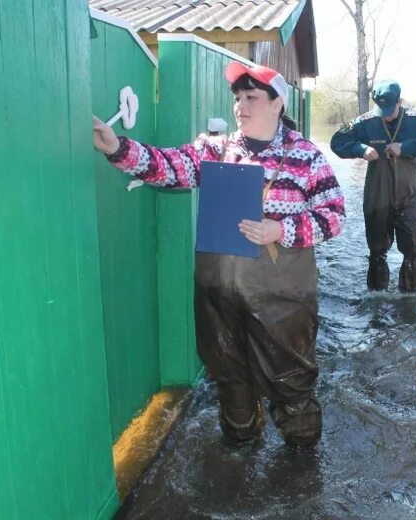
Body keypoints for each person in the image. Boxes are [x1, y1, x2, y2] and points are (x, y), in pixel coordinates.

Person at [92, 63, 346, 450]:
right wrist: (116, 147)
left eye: (252, 98)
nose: (241, 107)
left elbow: (334, 216)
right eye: (237, 99)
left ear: (278, 103)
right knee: (230, 379)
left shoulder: (307, 157)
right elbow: (168, 166)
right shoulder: (215, 149)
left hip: (282, 300)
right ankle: (240, 452)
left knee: (290, 384)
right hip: (218, 296)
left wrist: (281, 230)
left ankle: (301, 466)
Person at [330, 80, 416, 292]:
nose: (385, 115)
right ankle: (376, 298)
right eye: (382, 110)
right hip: (377, 195)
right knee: (376, 251)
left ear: (400, 101)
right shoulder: (365, 122)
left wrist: (406, 147)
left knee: (413, 251)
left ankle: (409, 301)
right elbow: (337, 142)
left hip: (409, 195)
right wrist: (360, 149)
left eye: (390, 110)